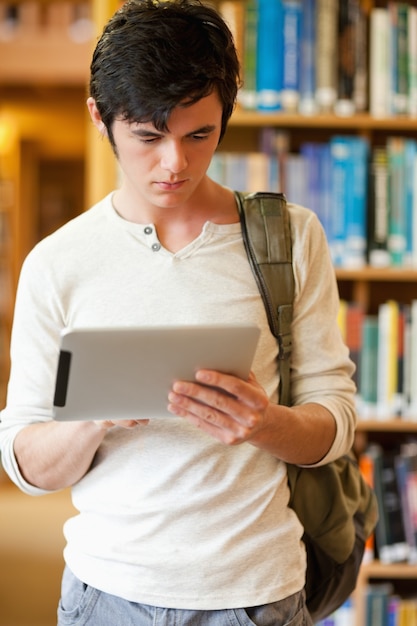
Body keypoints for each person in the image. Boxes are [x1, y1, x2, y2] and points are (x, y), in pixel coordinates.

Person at [0, 1, 357, 624]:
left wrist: (264, 422)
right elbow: (25, 465)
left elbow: (336, 424)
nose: (176, 164)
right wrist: (92, 420)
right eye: (147, 136)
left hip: (256, 594)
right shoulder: (57, 263)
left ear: (226, 117)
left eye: (200, 135)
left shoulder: (290, 238)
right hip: (105, 596)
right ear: (100, 119)